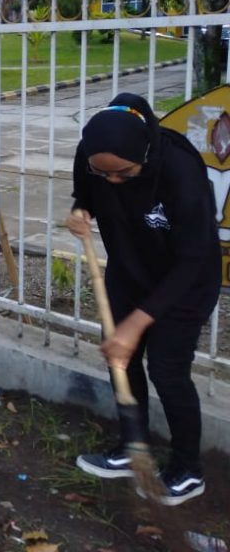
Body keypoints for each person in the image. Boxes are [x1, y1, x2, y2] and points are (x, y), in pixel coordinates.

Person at [66, 92, 220, 506]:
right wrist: (81, 210)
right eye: (103, 173)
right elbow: (85, 192)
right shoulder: (91, 155)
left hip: (186, 281)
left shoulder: (180, 170)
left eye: (123, 173)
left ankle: (188, 471)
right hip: (129, 271)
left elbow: (192, 259)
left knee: (168, 370)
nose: (112, 181)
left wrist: (136, 324)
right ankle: (130, 446)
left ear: (145, 155)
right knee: (122, 360)